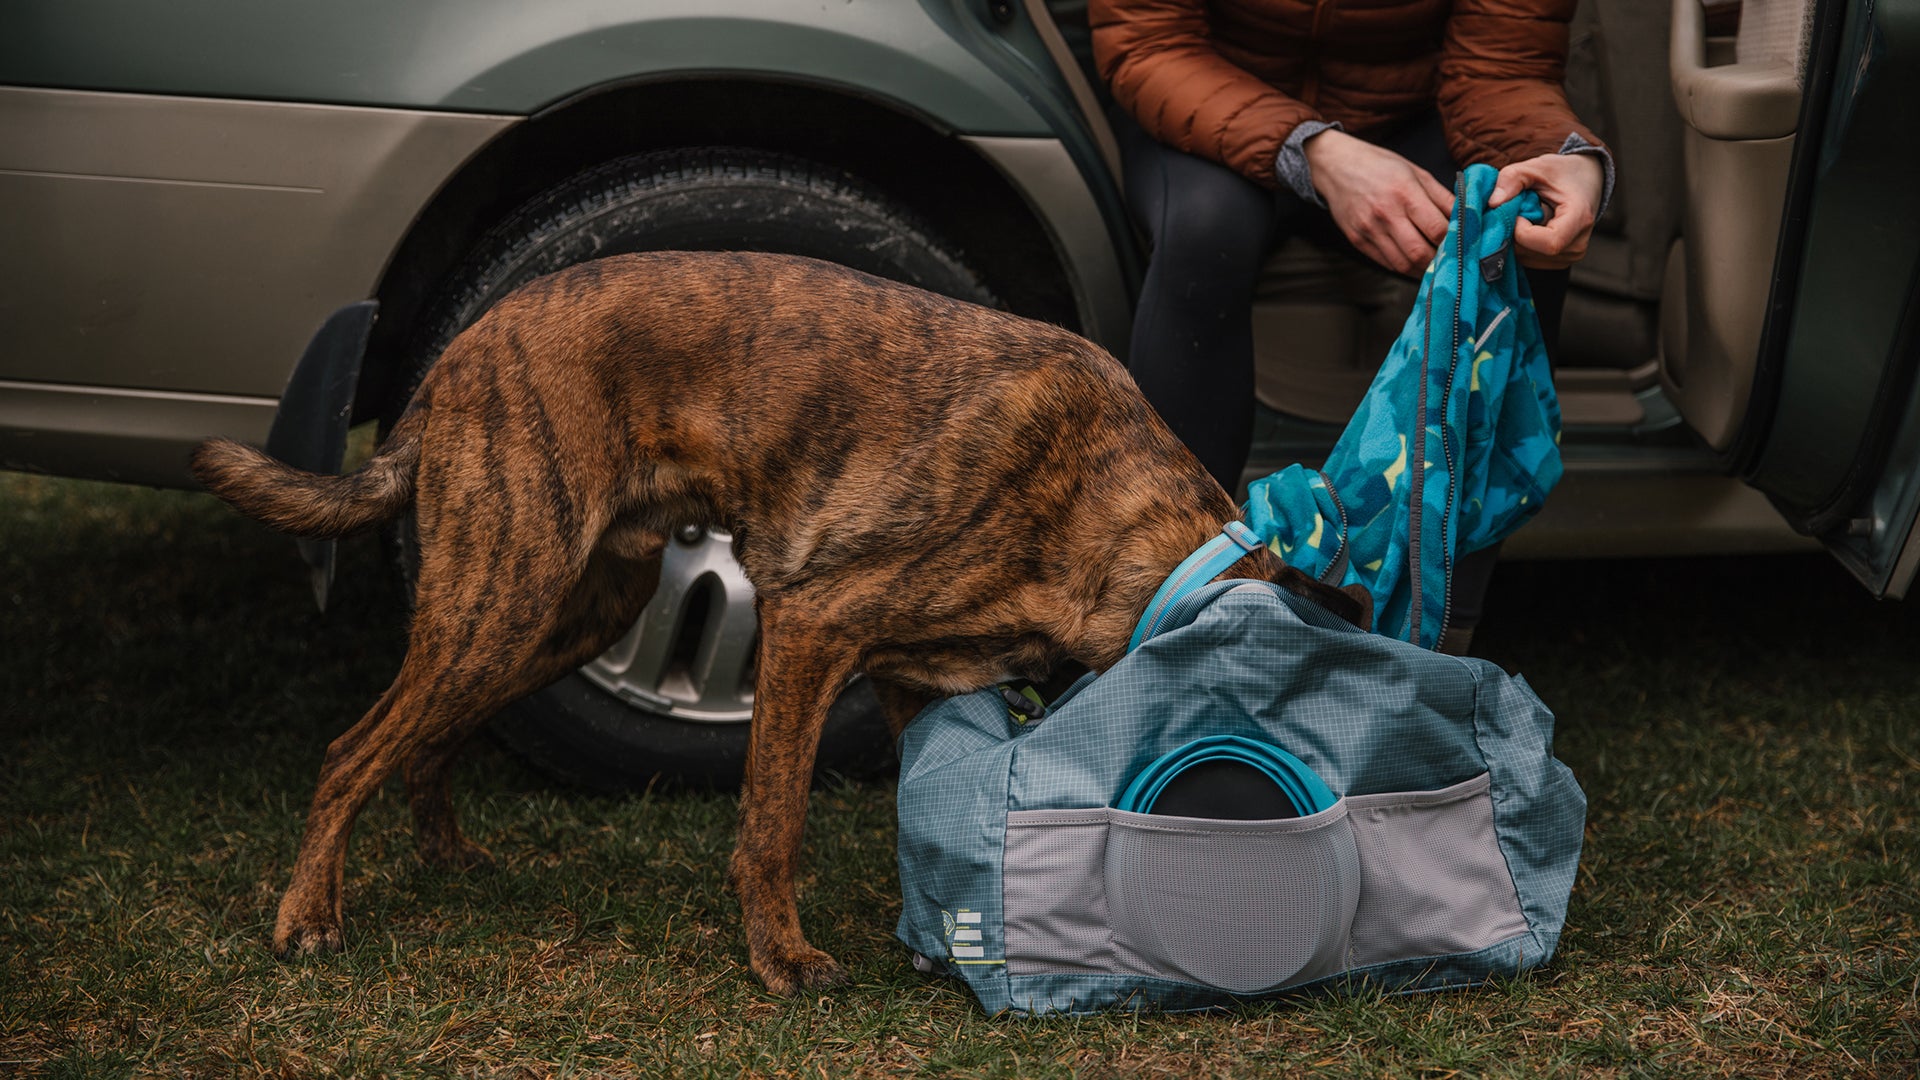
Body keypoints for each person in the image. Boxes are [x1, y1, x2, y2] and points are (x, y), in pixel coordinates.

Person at [1091, 0, 1614, 653]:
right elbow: (1148, 45)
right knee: (1206, 230)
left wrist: (1571, 161)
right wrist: (1315, 151)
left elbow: (1502, 67)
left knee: (1517, 230)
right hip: (1207, 101)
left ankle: (1442, 632)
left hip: (1407, 119)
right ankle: (1158, 610)